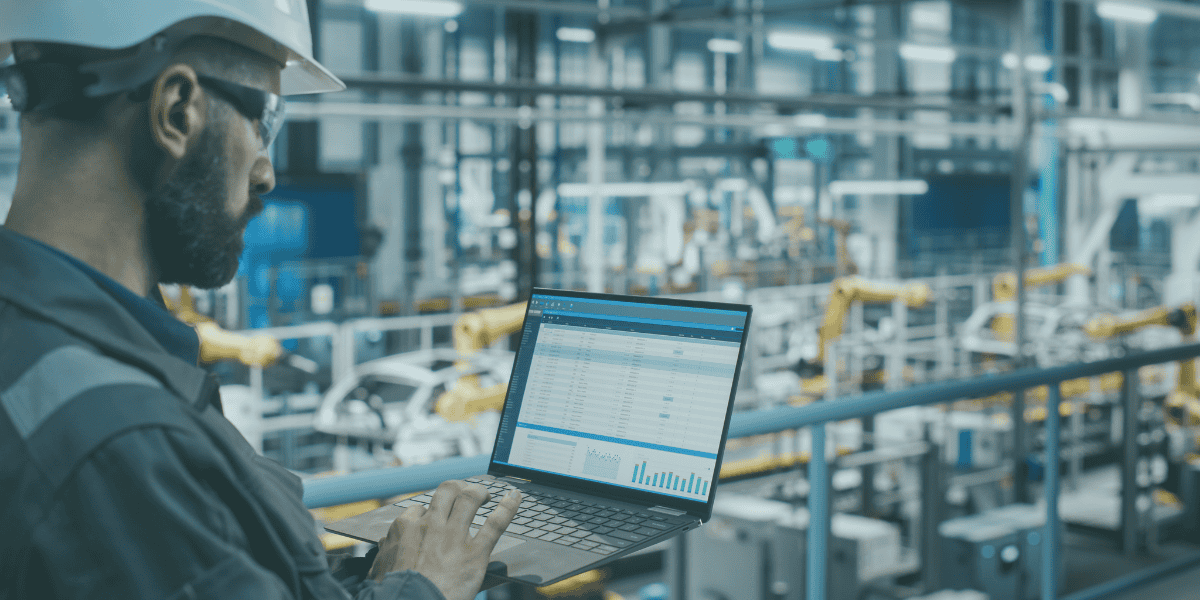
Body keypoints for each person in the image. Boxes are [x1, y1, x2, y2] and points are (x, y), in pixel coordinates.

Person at [0, 2, 521, 599]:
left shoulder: (54, 349)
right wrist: (425, 587)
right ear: (177, 111)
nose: (267, 172)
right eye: (264, 120)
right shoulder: (120, 439)